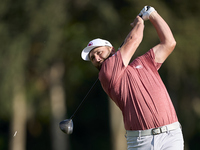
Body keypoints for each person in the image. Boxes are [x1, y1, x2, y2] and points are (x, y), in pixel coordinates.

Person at [81, 6, 184, 150]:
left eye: (99, 52)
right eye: (92, 58)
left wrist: (153, 14)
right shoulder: (106, 73)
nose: (97, 58)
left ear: (112, 50)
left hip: (171, 135)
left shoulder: (144, 62)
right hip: (142, 140)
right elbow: (134, 38)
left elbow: (169, 43)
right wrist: (140, 21)